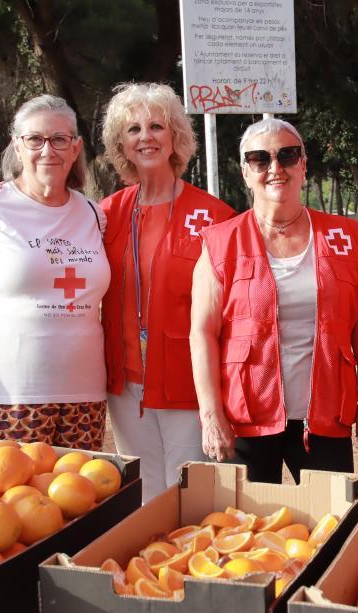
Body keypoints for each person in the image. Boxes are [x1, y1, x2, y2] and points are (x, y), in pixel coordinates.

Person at [189, 119, 358, 484]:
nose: (275, 168)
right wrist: (211, 414)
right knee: (244, 527)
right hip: (246, 414)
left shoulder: (344, 236)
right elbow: (202, 333)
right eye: (260, 159)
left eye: (287, 156)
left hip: (326, 414)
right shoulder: (220, 242)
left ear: (303, 165)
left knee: (332, 524)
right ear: (246, 172)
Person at [0, 94, 109, 450]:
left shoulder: (94, 214)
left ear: (75, 148)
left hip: (85, 397)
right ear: (17, 145)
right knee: (13, 504)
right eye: (35, 139)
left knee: (82, 502)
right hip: (8, 399)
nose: (48, 150)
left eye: (60, 139)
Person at [98, 83, 236, 502]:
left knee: (191, 494)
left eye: (157, 126)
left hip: (187, 383)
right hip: (125, 385)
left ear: (176, 135)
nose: (146, 137)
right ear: (121, 142)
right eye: (134, 128)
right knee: (144, 496)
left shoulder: (215, 216)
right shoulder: (106, 214)